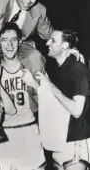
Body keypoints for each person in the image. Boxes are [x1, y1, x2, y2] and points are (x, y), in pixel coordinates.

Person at [21, 30, 90, 170]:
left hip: (75, 144)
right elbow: (56, 103)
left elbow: (76, 111)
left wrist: (50, 85)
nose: (47, 43)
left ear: (64, 46)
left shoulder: (78, 70)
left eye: (52, 40)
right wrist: (35, 84)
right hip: (60, 141)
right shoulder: (59, 68)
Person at [0, 23, 46, 170]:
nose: (9, 44)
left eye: (13, 40)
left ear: (20, 42)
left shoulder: (32, 67)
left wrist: (35, 84)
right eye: (4, 40)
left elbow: (49, 103)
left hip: (29, 130)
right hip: (4, 135)